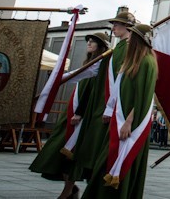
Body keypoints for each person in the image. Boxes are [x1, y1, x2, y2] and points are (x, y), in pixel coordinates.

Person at [30, 32, 110, 199]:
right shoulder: (89, 62)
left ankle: (68, 191)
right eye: (88, 40)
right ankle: (70, 189)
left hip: (81, 114)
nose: (89, 43)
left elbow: (91, 91)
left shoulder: (101, 64)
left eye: (93, 41)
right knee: (61, 149)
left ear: (101, 46)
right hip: (73, 110)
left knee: (70, 152)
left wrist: (80, 113)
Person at [83, 23, 158, 198]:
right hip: (120, 119)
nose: (129, 39)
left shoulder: (147, 62)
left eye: (132, 36)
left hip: (130, 124)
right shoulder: (131, 61)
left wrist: (129, 122)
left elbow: (144, 98)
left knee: (117, 166)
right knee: (105, 164)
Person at [72, 9, 134, 189]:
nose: (113, 27)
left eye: (117, 24)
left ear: (127, 26)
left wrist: (109, 108)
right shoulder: (119, 47)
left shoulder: (128, 47)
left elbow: (120, 78)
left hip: (111, 105)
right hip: (103, 102)